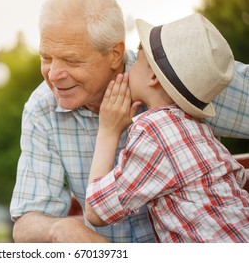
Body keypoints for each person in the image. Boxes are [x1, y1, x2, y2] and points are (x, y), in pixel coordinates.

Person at [10, 0, 249, 243]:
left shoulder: (182, 73)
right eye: (46, 58)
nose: (53, 74)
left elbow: (98, 208)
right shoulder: (42, 109)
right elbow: (27, 218)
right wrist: (58, 229)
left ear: (115, 54)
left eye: (72, 60)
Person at [84, 13, 249, 242]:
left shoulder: (154, 131)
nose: (128, 71)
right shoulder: (198, 128)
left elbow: (96, 210)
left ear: (153, 76)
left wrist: (108, 131)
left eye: (136, 63)